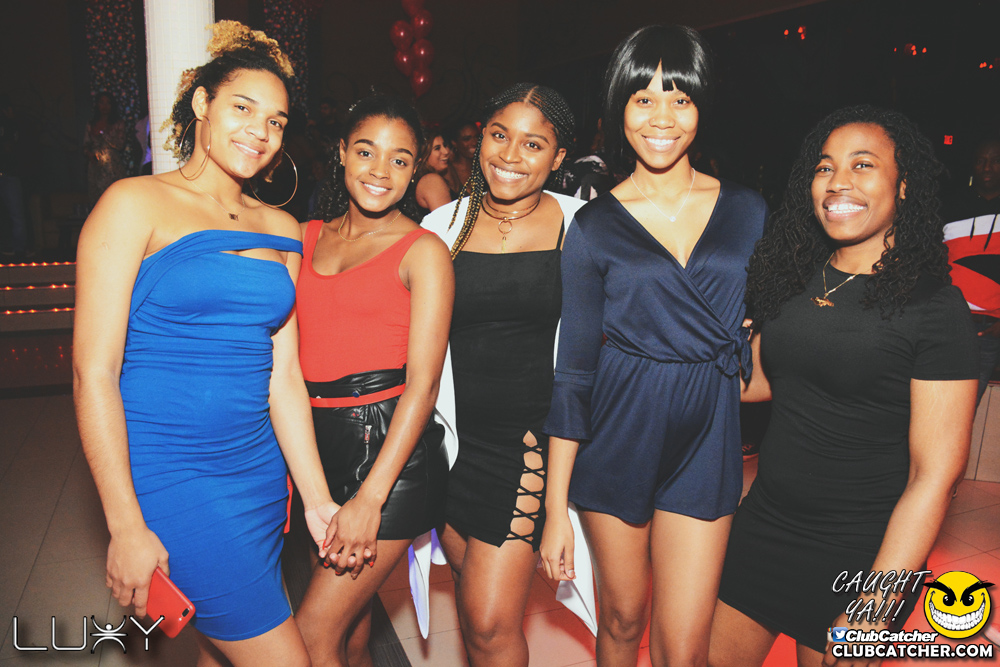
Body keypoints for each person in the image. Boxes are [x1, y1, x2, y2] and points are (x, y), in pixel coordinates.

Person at [73, 21, 339, 666]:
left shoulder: (283, 228)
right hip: (171, 474)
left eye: (275, 122)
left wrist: (316, 498)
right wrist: (124, 524)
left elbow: (283, 378)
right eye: (242, 108)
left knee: (217, 655)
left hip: (257, 475)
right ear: (202, 104)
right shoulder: (133, 203)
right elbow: (93, 373)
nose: (260, 131)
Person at [709, 106, 979, 667]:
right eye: (824, 167)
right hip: (764, 526)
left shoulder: (934, 307)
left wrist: (879, 601)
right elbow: (761, 382)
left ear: (903, 186)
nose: (837, 182)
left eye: (862, 165)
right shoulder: (794, 277)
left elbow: (936, 474)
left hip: (862, 551)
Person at [540, 25, 768, 666]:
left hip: (709, 435)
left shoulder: (748, 211)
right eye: (643, 99)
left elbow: (771, 325)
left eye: (680, 98)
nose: (661, 118)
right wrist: (554, 509)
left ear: (702, 107)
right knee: (621, 618)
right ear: (620, 108)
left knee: (684, 643)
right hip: (620, 428)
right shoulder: (592, 227)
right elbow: (573, 370)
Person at [422, 82, 586, 666]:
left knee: (492, 623)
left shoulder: (582, 227)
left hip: (527, 445)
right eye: (499, 135)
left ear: (558, 157)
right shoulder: (442, 225)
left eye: (533, 144)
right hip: (449, 443)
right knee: (473, 613)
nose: (510, 155)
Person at [293, 94, 454, 667]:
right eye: (366, 151)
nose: (380, 171)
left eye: (400, 159)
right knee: (350, 635)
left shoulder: (424, 252)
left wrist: (370, 499)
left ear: (415, 170)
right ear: (341, 152)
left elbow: (424, 387)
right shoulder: (302, 236)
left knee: (311, 637)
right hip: (315, 450)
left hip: (391, 457)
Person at [942, 135, 1000, 406]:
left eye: (995, 160)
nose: (987, 167)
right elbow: (928, 262)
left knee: (964, 411)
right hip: (945, 321)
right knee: (926, 404)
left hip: (987, 331)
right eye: (980, 161)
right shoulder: (950, 206)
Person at [83, 92, 132, 205]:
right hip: (95, 166)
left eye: (108, 103)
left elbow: (120, 144)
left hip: (112, 166)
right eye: (102, 103)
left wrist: (103, 134)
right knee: (97, 198)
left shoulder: (118, 123)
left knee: (113, 196)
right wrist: (89, 154)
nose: (104, 106)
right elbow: (85, 145)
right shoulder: (91, 124)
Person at [414, 132, 457, 219]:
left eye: (445, 145)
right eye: (437, 148)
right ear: (424, 154)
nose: (446, 151)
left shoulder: (424, 178)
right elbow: (446, 221)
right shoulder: (431, 180)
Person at [447, 120, 478, 191]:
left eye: (477, 137)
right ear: (454, 143)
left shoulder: (483, 166)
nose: (474, 143)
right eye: (467, 139)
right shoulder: (448, 170)